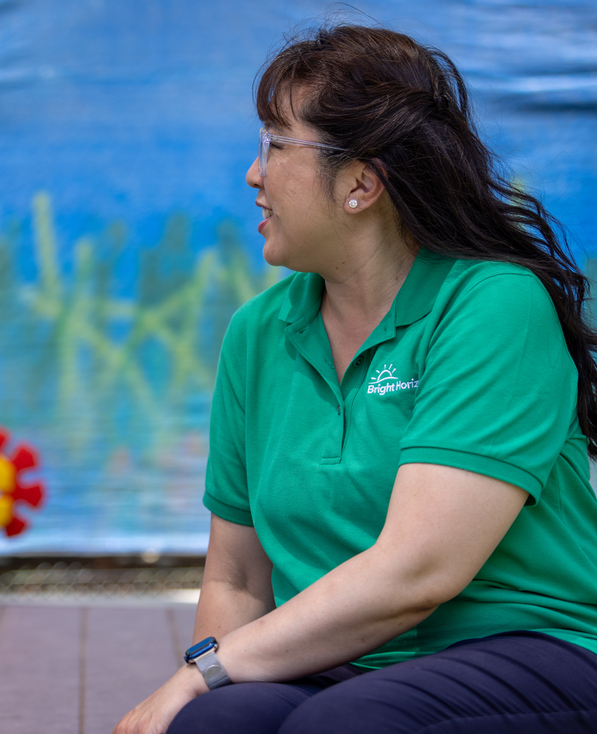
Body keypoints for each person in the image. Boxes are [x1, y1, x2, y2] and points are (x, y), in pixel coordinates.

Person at [117, 23, 597, 734]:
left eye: (275, 145)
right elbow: (237, 579)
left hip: (528, 646)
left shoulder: (492, 303)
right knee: (217, 725)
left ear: (361, 184)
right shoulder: (257, 332)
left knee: (343, 725)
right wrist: (203, 691)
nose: (254, 174)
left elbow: (418, 572)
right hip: (351, 662)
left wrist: (203, 671)